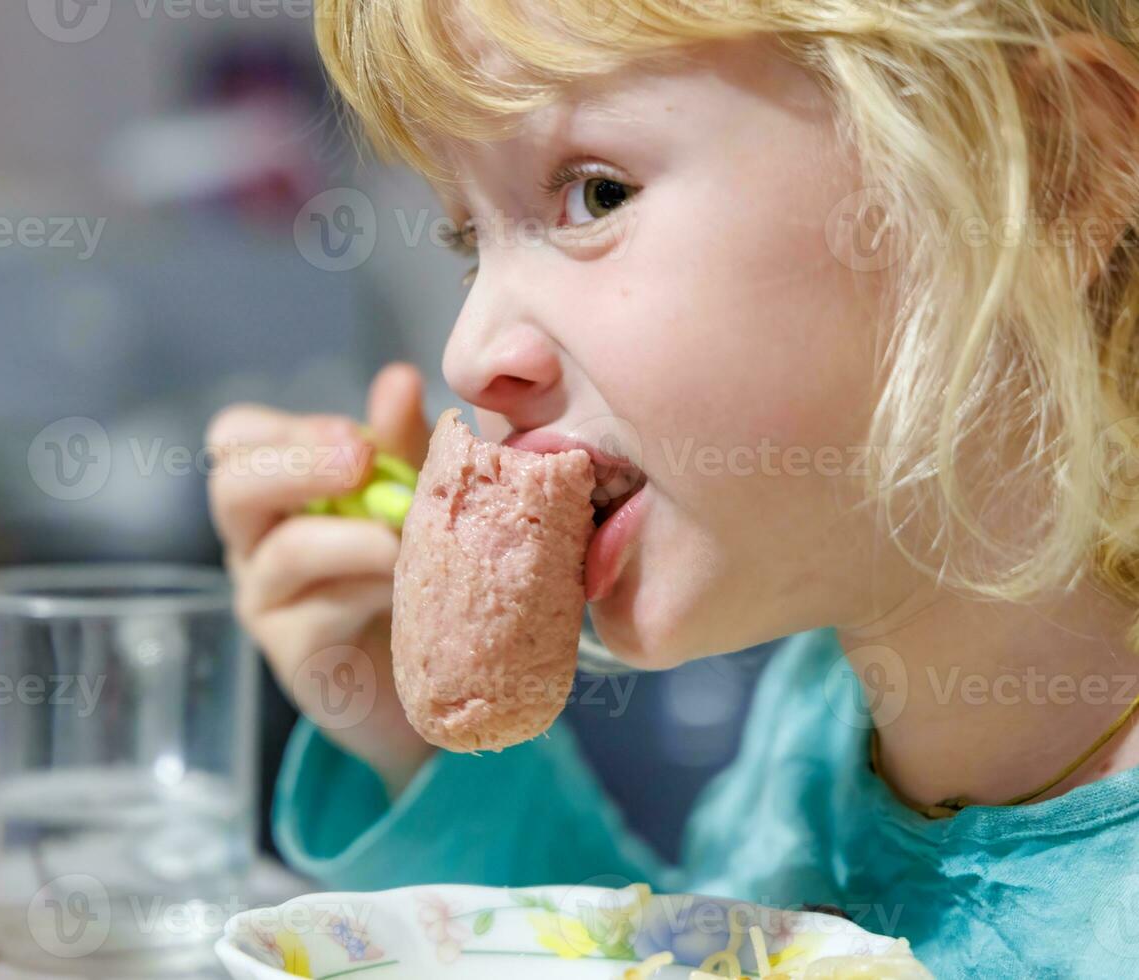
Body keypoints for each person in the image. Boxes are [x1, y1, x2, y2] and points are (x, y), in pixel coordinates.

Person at [206, 2, 1139, 974]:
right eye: (467, 239)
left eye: (597, 195)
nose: (471, 354)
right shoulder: (819, 719)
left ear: (1049, 180)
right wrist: (415, 745)